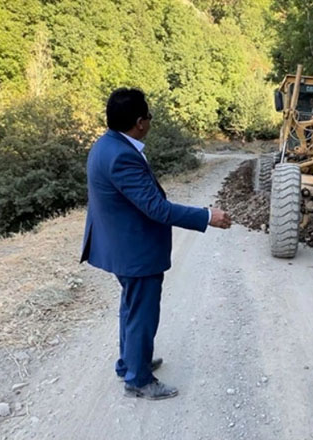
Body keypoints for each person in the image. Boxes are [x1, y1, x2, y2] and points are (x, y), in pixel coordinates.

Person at [80, 88, 231, 400]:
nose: (150, 122)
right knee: (143, 314)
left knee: (132, 308)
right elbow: (157, 209)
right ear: (139, 122)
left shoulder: (106, 144)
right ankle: (138, 380)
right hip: (134, 250)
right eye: (148, 117)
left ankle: (131, 362)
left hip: (121, 245)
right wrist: (206, 216)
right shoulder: (122, 155)